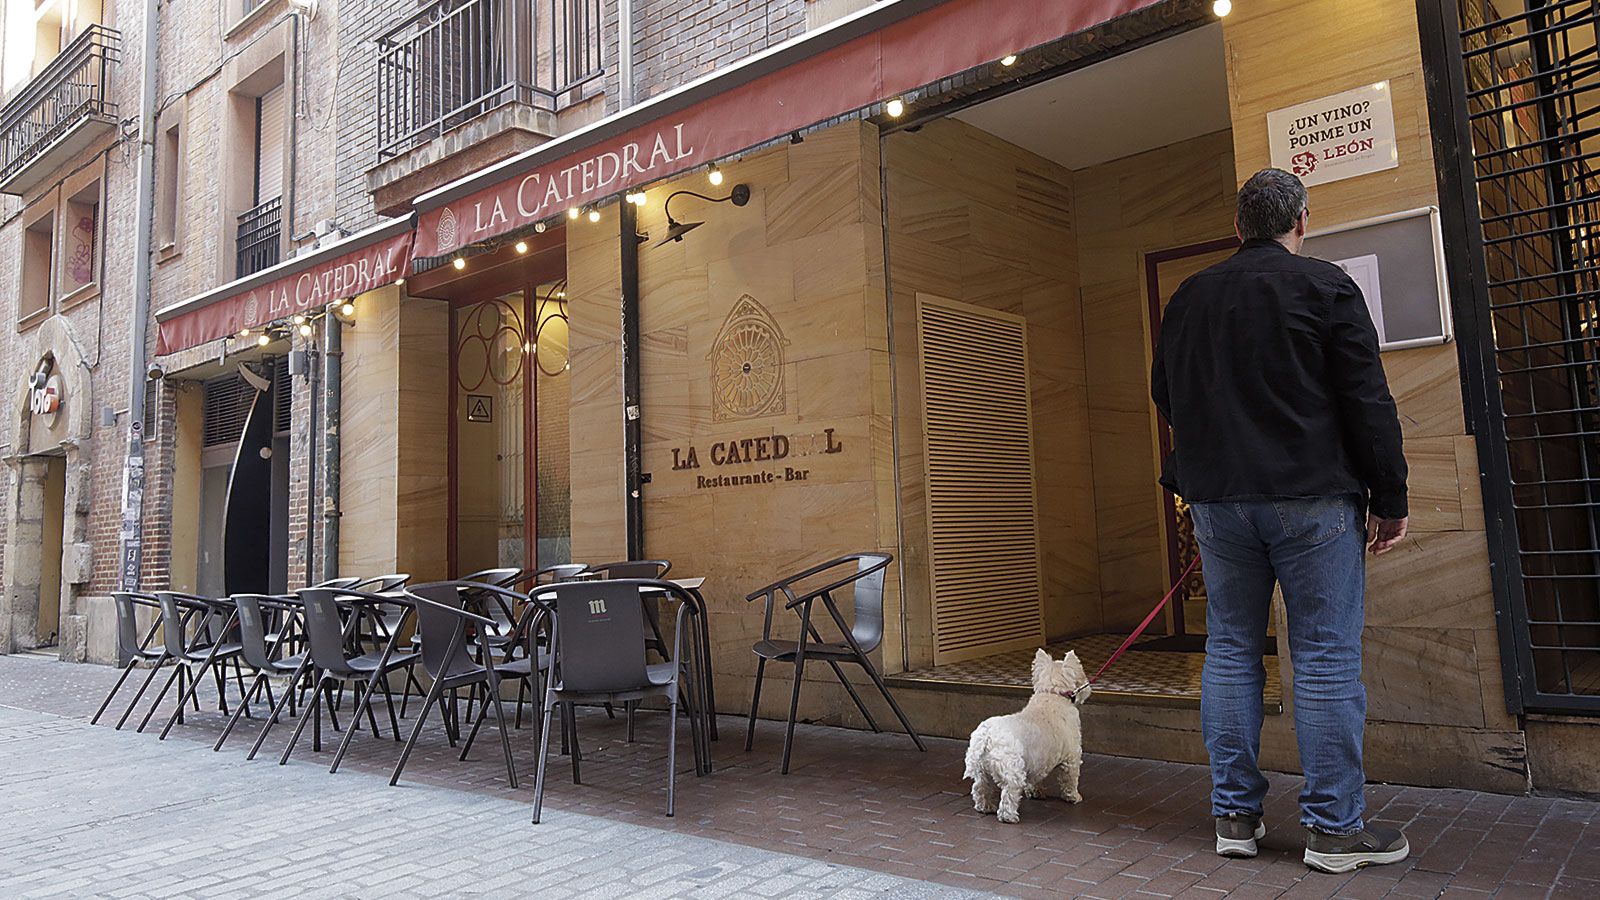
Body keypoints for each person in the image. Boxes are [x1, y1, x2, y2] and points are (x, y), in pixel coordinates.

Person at [1151, 168, 1410, 875]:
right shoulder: (1325, 286)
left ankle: (1234, 818)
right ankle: (1334, 831)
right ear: (1302, 221)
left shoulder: (1190, 296)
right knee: (1323, 656)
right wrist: (1391, 498)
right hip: (1313, 498)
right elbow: (1366, 398)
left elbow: (1164, 393)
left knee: (1231, 648)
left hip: (1218, 502)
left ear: (1239, 227)